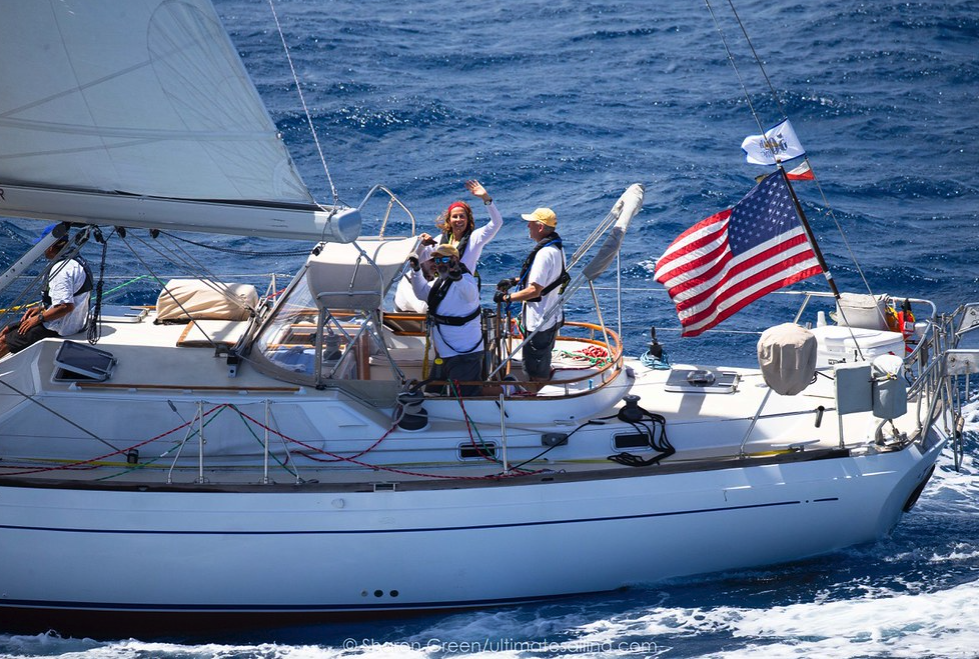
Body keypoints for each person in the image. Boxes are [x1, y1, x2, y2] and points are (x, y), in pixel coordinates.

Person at [394, 179, 503, 312]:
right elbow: (418, 260)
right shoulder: (440, 240)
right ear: (449, 220)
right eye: (455, 217)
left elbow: (497, 223)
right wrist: (422, 244)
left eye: (462, 216)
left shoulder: (476, 238)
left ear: (468, 220)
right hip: (443, 287)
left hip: (462, 287)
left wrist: (486, 198)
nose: (458, 220)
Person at [493, 207, 567, 389]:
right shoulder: (557, 248)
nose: (528, 226)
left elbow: (534, 290)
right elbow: (549, 278)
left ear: (540, 227)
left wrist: (506, 298)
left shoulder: (544, 254)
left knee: (536, 371)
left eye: (531, 223)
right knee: (541, 362)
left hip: (538, 322)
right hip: (551, 317)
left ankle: (538, 399)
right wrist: (514, 280)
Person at [0, 228, 93, 359]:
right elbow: (71, 296)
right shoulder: (75, 261)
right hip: (75, 322)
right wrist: (42, 308)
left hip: (61, 327)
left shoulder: (61, 270)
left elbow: (65, 306)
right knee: (6, 330)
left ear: (50, 247)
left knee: (3, 341)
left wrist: (39, 318)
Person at [407, 244, 484, 396]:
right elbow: (422, 293)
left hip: (463, 351)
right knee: (435, 390)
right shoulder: (441, 281)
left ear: (455, 259)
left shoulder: (466, 279)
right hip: (444, 351)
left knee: (467, 394)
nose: (440, 263)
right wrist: (416, 271)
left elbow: (470, 295)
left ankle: (510, 391)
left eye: (445, 258)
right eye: (437, 260)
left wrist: (458, 278)